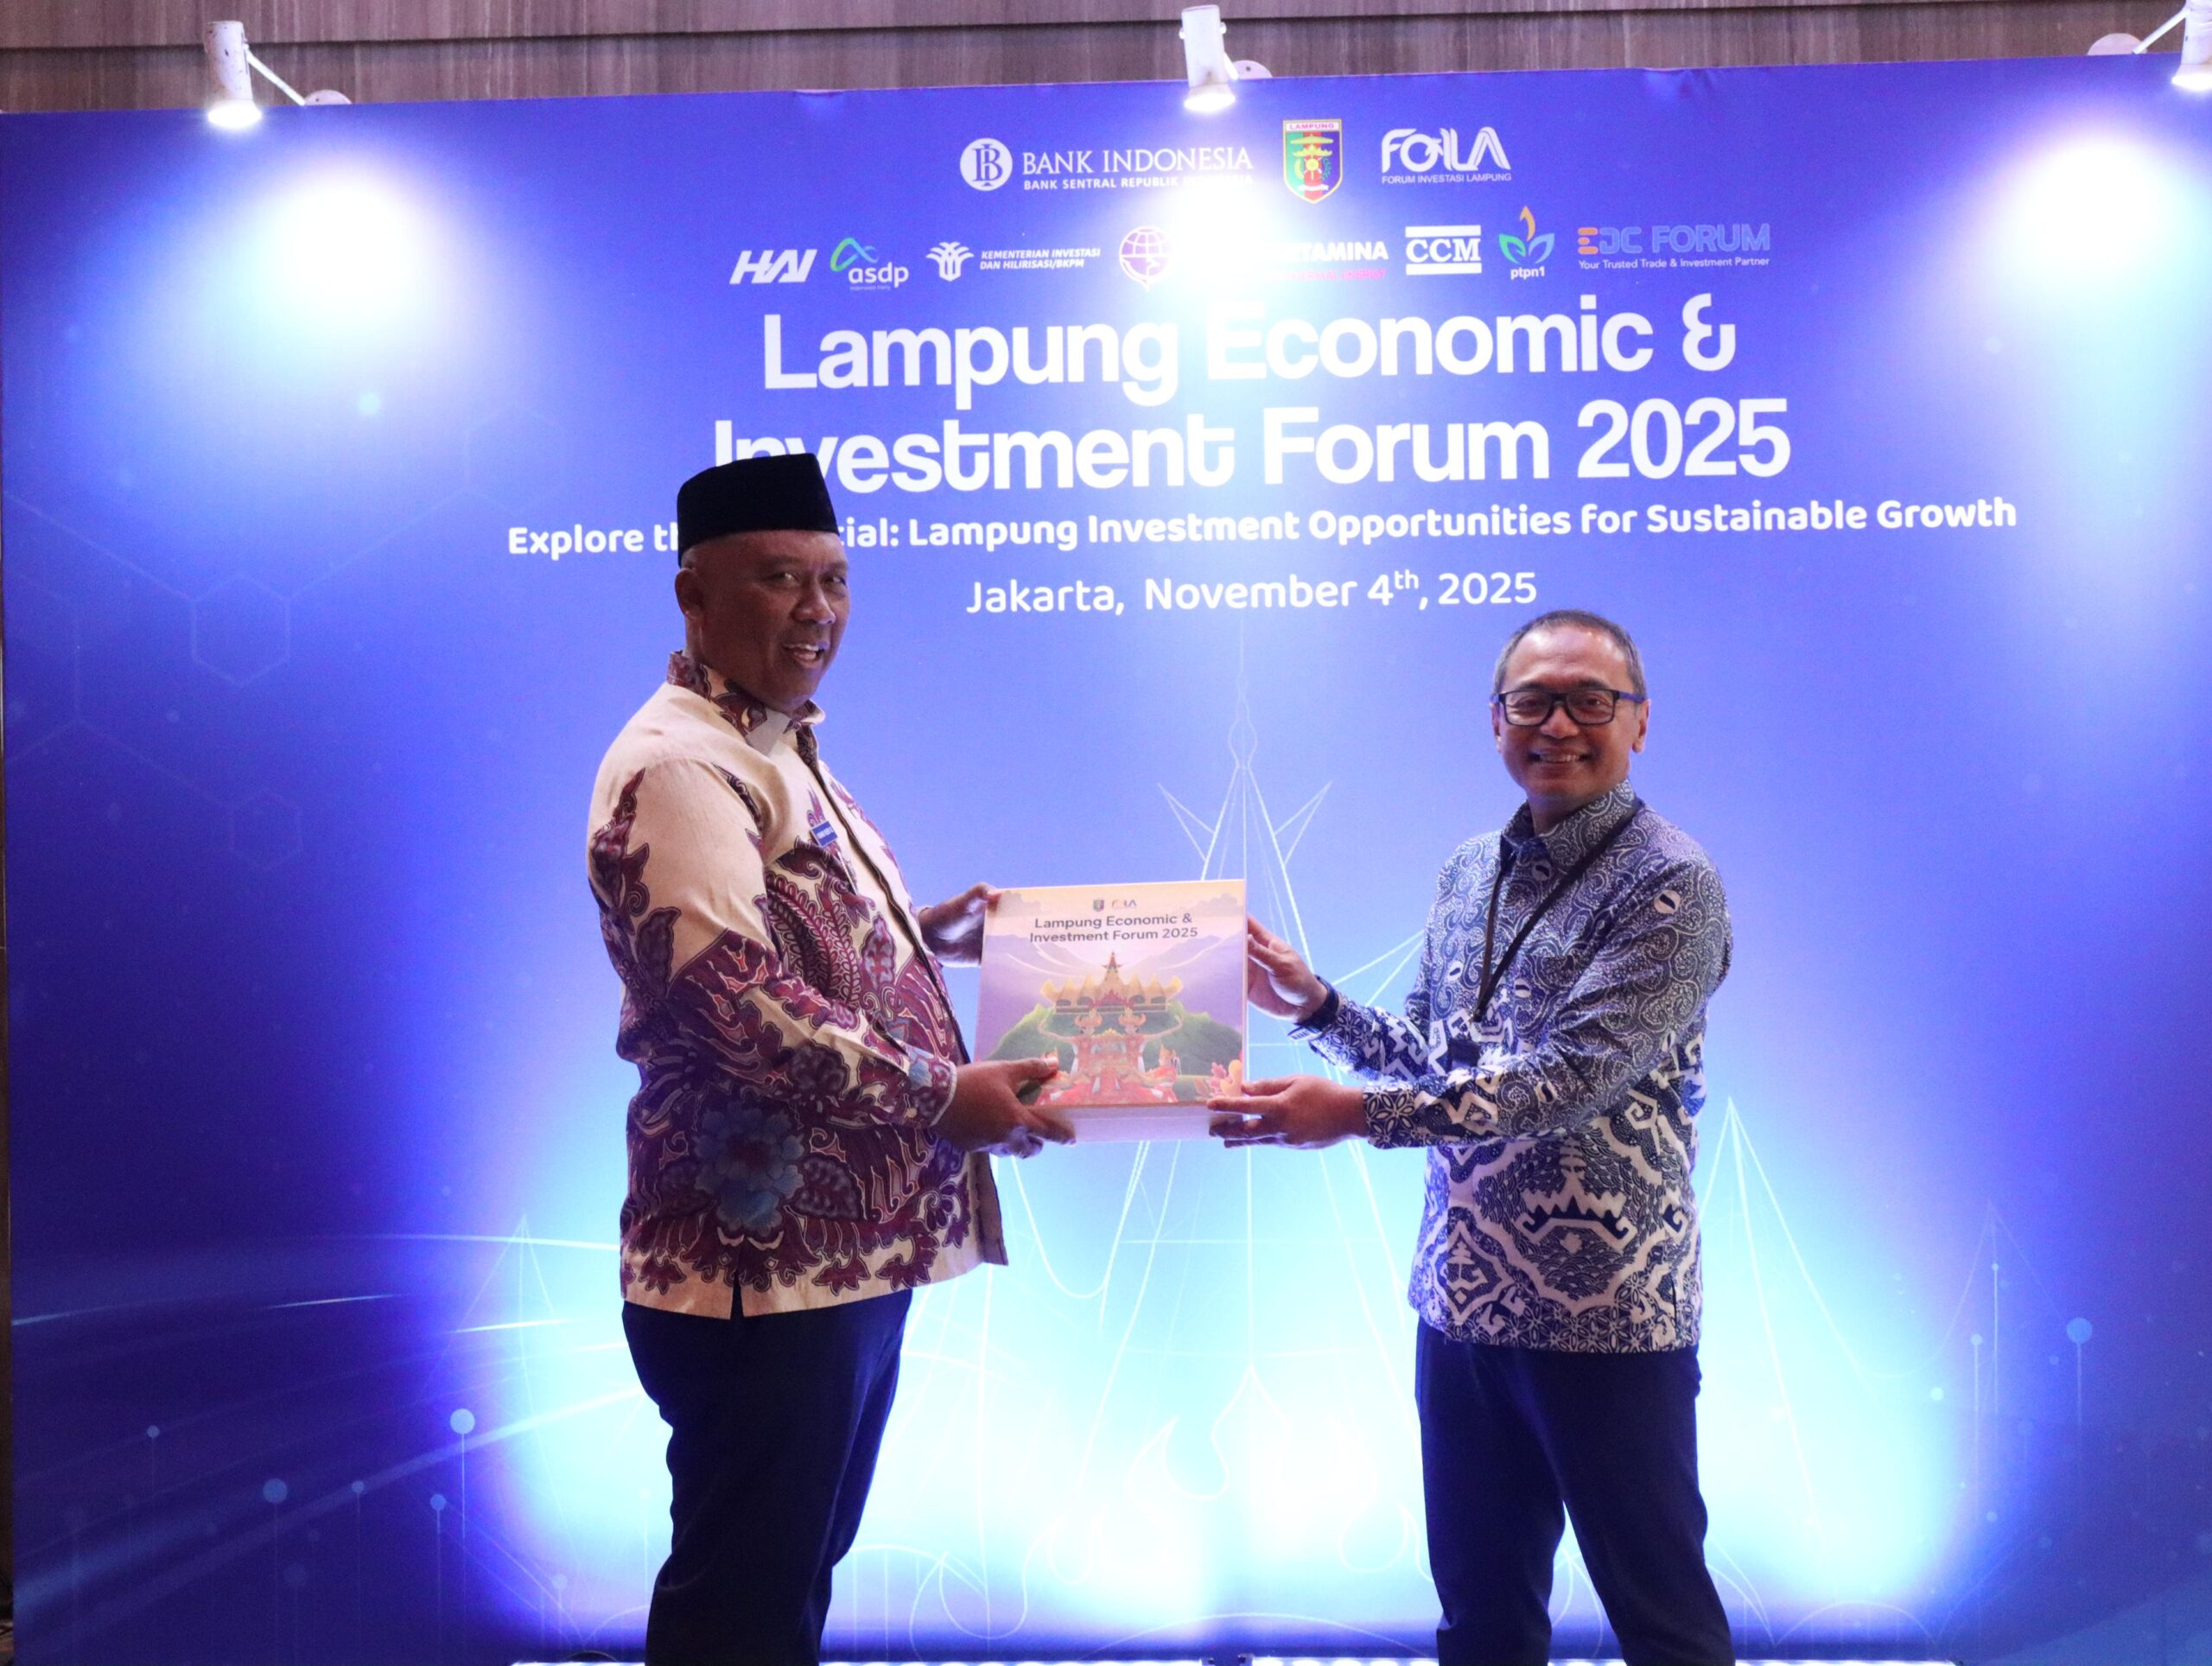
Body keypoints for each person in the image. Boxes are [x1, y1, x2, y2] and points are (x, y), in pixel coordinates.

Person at [586, 452, 1071, 1666]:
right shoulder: (682, 762)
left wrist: (926, 935)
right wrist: (943, 1094)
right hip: (759, 1275)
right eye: (780, 579)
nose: (818, 610)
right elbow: (736, 1004)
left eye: (835, 579)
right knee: (742, 1609)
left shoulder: (769, 742)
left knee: (784, 1584)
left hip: (831, 1263)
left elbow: (792, 933)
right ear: (694, 595)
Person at [1210, 608, 1735, 1666]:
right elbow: (1435, 1056)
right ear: (1495, 719)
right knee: (1481, 1620)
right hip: (1459, 1304)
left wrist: (1353, 1116)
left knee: (1663, 1620)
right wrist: (1317, 1006)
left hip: (1606, 1315)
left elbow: (1566, 1081)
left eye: (1590, 700)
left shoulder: (1671, 882)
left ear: (1640, 721)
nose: (1559, 724)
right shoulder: (1468, 869)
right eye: (1532, 700)